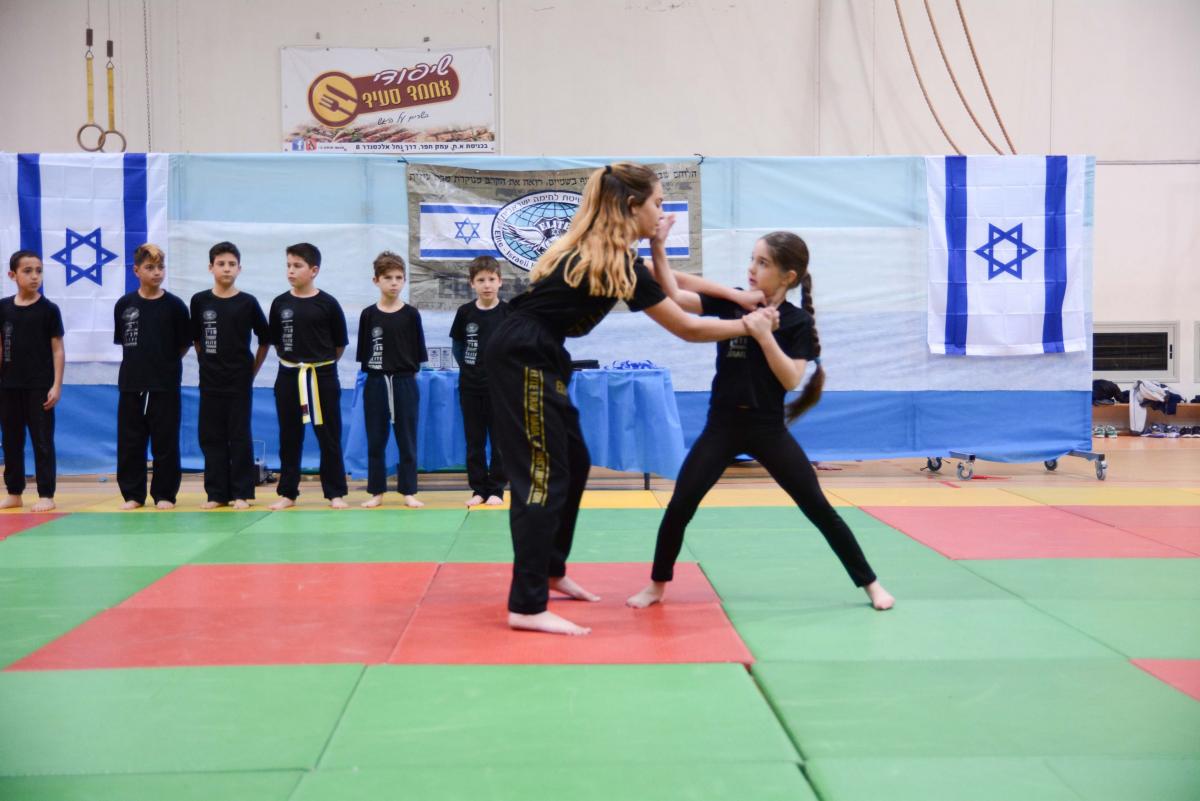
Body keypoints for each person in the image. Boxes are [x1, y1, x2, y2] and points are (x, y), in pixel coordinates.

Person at [488, 162, 779, 636]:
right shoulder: (612, 260)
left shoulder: (611, 254)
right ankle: (526, 604)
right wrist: (750, 325)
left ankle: (551, 569)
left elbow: (674, 281)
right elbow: (687, 327)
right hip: (521, 356)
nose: (661, 212)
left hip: (541, 353)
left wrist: (736, 297)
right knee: (543, 478)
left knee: (574, 461)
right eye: (658, 203)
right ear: (631, 206)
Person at [626, 229, 895, 612]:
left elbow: (790, 379)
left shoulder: (796, 322)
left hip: (768, 431)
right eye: (752, 260)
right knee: (680, 505)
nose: (752, 268)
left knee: (819, 507)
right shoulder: (733, 301)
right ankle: (657, 585)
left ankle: (871, 584)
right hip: (721, 428)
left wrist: (765, 336)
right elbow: (677, 296)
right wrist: (658, 247)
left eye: (763, 263)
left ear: (788, 276)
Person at [268, 243, 349, 509]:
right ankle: (288, 493)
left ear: (314, 270)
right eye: (288, 265)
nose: (291, 271)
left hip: (322, 375)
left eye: (297, 266)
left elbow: (339, 344)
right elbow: (276, 341)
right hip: (289, 375)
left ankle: (335, 492)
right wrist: (295, 363)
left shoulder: (328, 304)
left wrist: (319, 365)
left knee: (329, 435)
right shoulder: (280, 303)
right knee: (289, 436)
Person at [190, 241, 269, 509]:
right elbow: (196, 338)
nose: (226, 269)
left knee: (239, 436)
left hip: (239, 381)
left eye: (232, 264)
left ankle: (241, 493)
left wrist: (251, 371)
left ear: (239, 269)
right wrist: (205, 361)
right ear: (210, 267)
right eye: (221, 264)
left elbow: (265, 339)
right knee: (211, 437)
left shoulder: (248, 302)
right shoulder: (200, 301)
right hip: (210, 381)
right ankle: (216, 494)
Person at [113, 243, 191, 510]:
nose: (157, 272)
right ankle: (133, 494)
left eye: (160, 267)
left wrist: (164, 365)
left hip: (165, 384)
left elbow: (183, 344)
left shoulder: (175, 306)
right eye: (150, 267)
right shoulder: (125, 305)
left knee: (165, 442)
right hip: (131, 383)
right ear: (136, 270)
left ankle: (164, 494)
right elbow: (126, 342)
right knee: (130, 442)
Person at [357, 251, 427, 509]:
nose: (394, 283)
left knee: (407, 439)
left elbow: (418, 354)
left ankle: (408, 491)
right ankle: (376, 491)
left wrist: (405, 379)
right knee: (376, 439)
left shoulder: (411, 315)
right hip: (376, 382)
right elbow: (364, 355)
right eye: (388, 278)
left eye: (399, 277)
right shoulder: (368, 315)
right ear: (376, 280)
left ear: (405, 280)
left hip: (404, 381)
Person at [0, 251, 64, 512]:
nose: (35, 276)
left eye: (38, 270)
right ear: (12, 275)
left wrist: (56, 385)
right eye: (27, 271)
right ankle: (14, 492)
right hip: (8, 386)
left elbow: (58, 350)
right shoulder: (3, 308)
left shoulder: (49, 310)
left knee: (42, 441)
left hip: (39, 386)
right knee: (11, 441)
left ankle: (46, 494)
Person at [450, 255, 510, 507]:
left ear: (500, 282)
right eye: (481, 280)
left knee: (500, 441)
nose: (487, 285)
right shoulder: (465, 312)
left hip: (501, 388)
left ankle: (496, 489)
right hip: (471, 386)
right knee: (474, 440)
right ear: (472, 283)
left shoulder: (509, 312)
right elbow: (458, 346)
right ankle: (478, 489)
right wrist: (470, 368)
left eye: (491, 279)